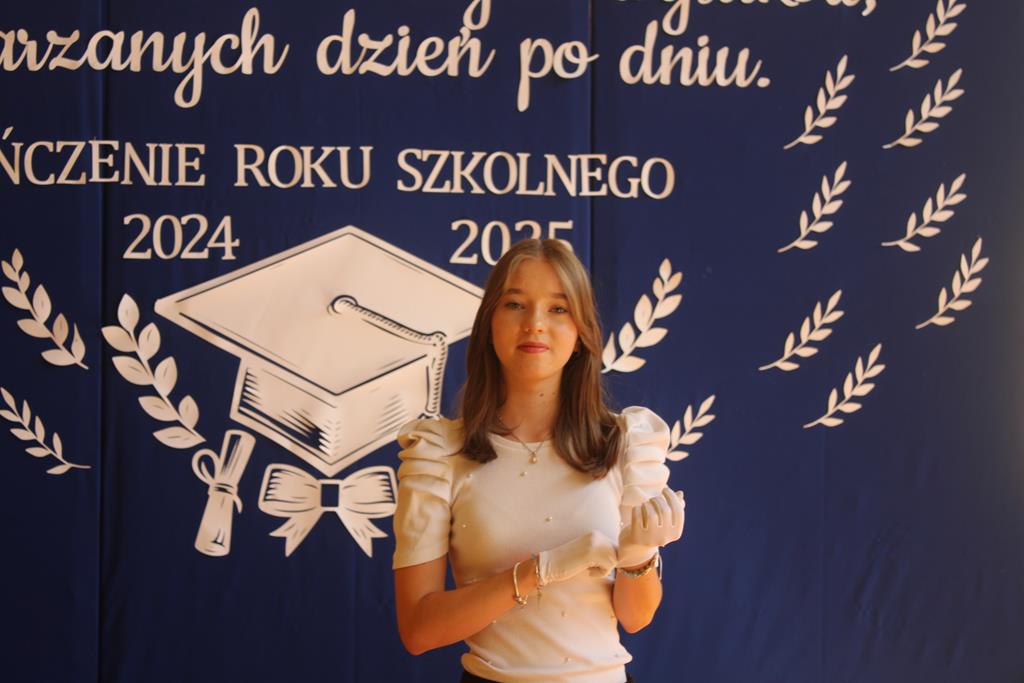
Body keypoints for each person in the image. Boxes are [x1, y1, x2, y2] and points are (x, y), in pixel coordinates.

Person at [392, 238, 686, 683]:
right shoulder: (439, 454)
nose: (534, 324)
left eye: (558, 308)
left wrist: (638, 556)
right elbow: (419, 630)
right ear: (489, 323)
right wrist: (538, 572)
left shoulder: (626, 445)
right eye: (515, 304)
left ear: (581, 332)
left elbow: (636, 617)